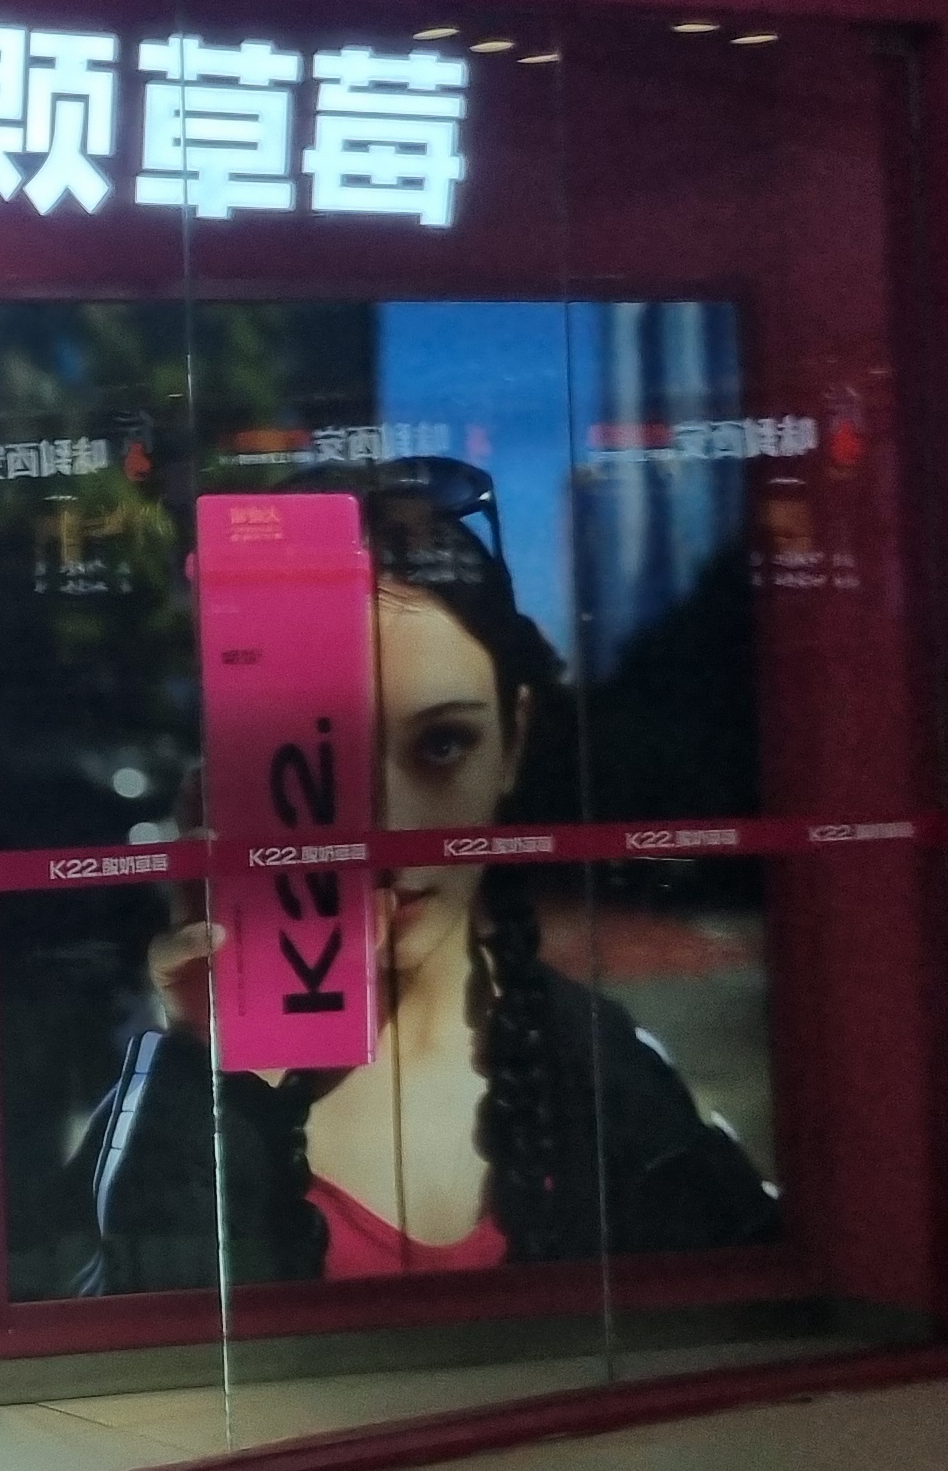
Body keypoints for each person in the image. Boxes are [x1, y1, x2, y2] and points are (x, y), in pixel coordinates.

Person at [67, 464, 779, 1291]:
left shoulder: (604, 1070)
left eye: (442, 745)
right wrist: (208, 1075)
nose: (391, 829)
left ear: (512, 742)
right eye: (329, 750)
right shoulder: (181, 1094)